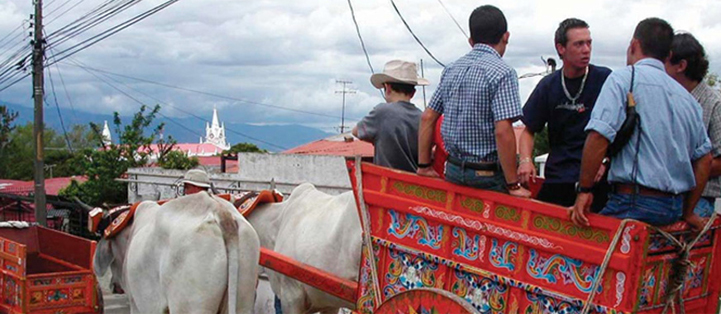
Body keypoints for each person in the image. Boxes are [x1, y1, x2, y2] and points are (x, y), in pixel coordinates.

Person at [570, 18, 712, 230]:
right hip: (673, 207)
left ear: (634, 45)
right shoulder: (688, 99)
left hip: (634, 203)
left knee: (576, 243)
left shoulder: (623, 79)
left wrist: (584, 190)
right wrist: (688, 211)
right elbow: (705, 158)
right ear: (669, 55)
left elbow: (599, 135)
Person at [417, 5, 530, 197]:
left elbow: (428, 117)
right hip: (487, 175)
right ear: (506, 37)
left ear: (471, 41)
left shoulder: (451, 69)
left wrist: (424, 166)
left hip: (452, 169)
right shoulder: (503, 73)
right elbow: (503, 130)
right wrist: (513, 185)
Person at [518, 18, 612, 210]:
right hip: (558, 179)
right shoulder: (549, 85)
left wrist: (606, 159)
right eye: (579, 44)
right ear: (561, 48)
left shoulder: (606, 79)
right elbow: (528, 130)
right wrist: (526, 161)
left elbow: (624, 128)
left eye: (589, 43)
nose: (586, 49)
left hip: (597, 181)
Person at [666, 33, 721, 218]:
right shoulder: (667, 98)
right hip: (667, 197)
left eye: (664, 61)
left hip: (700, 199)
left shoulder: (714, 103)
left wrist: (680, 169)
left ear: (681, 66)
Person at [353, 60, 429, 172]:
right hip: (413, 182)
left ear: (387, 88)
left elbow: (356, 132)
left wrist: (379, 140)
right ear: (413, 93)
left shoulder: (382, 112)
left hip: (386, 180)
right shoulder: (421, 117)